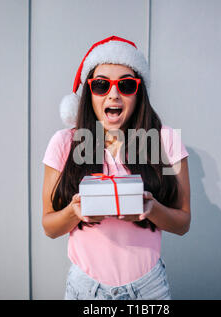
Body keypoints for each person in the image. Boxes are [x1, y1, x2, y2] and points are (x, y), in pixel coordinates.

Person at [41, 35, 191, 300]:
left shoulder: (165, 140)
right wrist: (75, 212)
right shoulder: (64, 143)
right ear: (89, 93)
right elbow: (50, 227)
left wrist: (151, 210)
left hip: (149, 290)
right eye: (101, 85)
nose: (113, 94)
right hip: (86, 289)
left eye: (126, 85)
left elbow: (183, 223)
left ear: (138, 91)